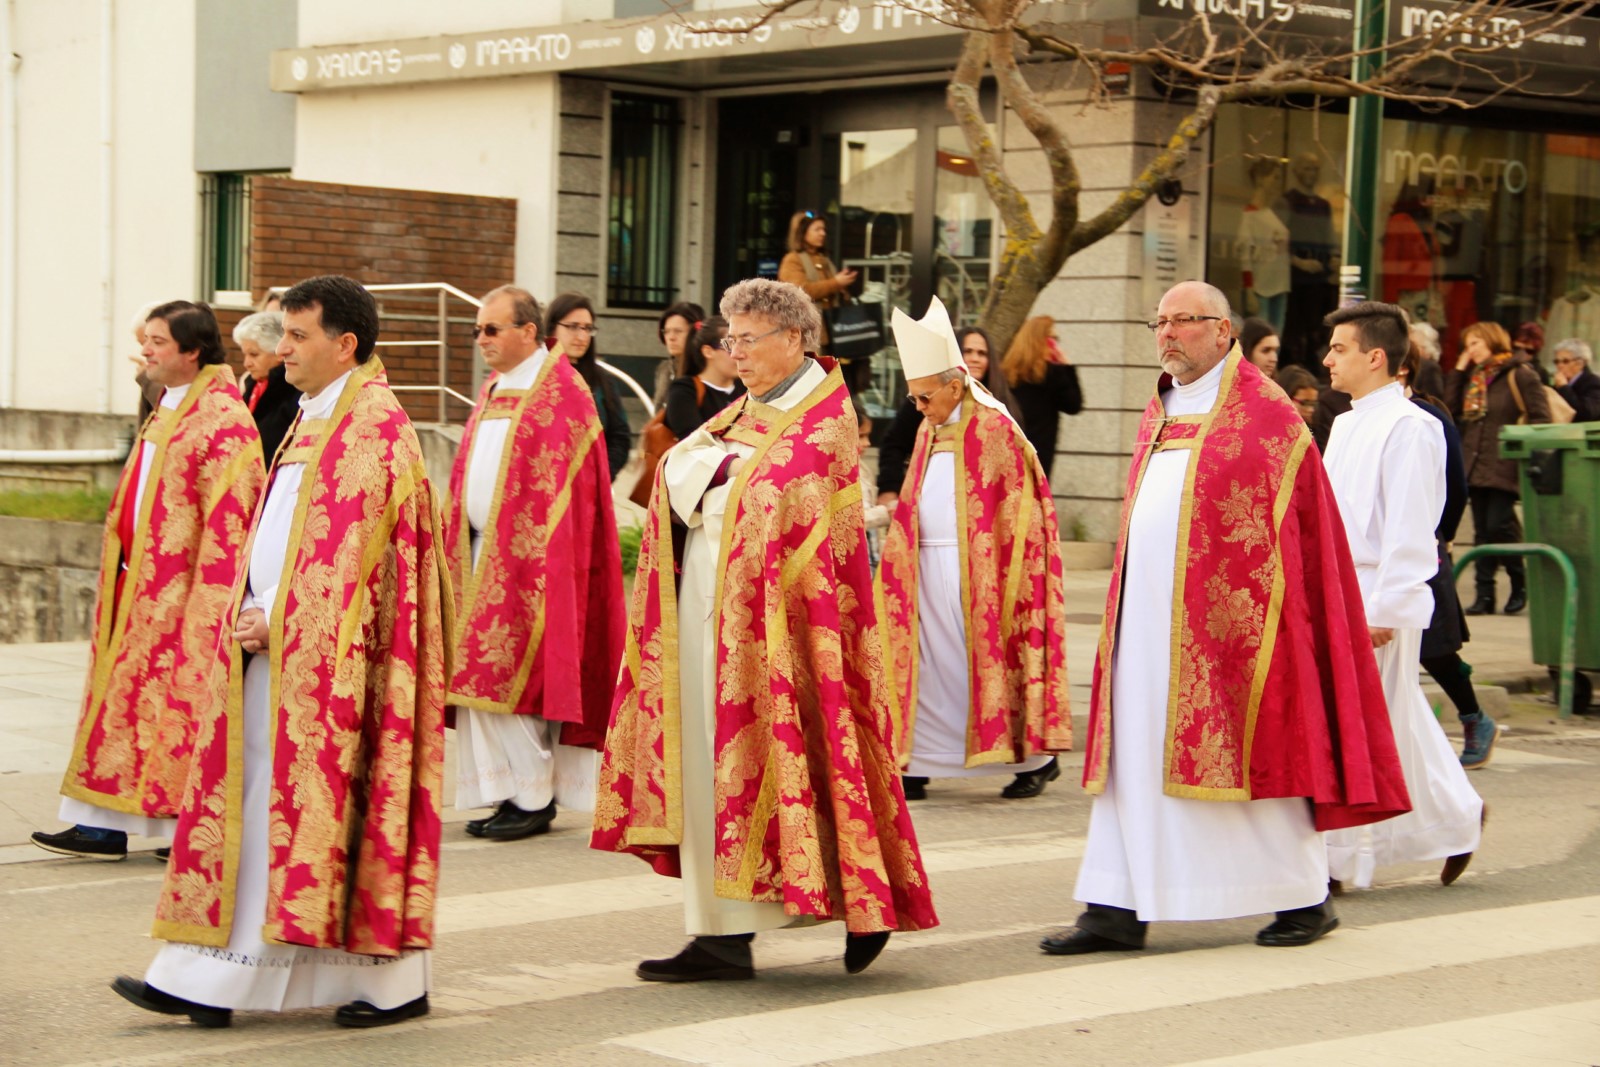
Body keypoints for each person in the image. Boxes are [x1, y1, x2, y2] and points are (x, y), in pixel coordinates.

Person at [119, 275, 450, 1030]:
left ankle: (388, 981)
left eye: (298, 337)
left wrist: (281, 619)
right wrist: (249, 603)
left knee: (335, 812)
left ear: (345, 344)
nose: (282, 349)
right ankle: (209, 974)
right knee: (257, 808)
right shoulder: (315, 414)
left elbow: (355, 560)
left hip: (335, 664)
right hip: (276, 651)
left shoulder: (372, 427)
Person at [1040, 281, 1408, 958]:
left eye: (1184, 321)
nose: (1168, 333)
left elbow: (1302, 534)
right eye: (1161, 321)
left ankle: (1303, 896)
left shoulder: (1268, 415)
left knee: (1251, 761)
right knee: (1133, 763)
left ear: (1223, 330)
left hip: (1231, 634)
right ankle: (1115, 905)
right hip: (1143, 625)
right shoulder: (1161, 407)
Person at [592, 278, 937, 983]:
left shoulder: (823, 424)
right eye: (730, 339)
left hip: (785, 635)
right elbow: (678, 472)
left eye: (748, 339)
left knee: (812, 757)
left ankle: (866, 904)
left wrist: (714, 479)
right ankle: (720, 935)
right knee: (715, 773)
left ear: (794, 339)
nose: (734, 352)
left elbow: (778, 503)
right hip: (711, 617)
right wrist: (712, 477)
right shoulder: (745, 413)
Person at [32, 302, 264, 862]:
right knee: (120, 707)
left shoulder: (225, 420)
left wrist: (211, 602)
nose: (147, 351)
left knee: (171, 712)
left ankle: (178, 823)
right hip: (136, 582)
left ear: (192, 351)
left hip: (182, 593)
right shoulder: (170, 403)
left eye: (158, 342)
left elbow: (231, 518)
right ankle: (100, 824)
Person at [445, 285, 626, 842]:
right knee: (480, 679)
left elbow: (571, 492)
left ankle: (534, 797)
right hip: (478, 555)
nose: (482, 340)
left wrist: (540, 554)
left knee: (516, 683)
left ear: (528, 331)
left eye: (492, 329)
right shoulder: (494, 388)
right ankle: (506, 791)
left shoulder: (561, 393)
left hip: (536, 564)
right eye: (478, 331)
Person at [875, 297, 1072, 803]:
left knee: (985, 661)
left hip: (984, 573)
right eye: (913, 397)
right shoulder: (929, 426)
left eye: (923, 396)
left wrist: (997, 567)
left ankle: (1036, 760)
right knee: (928, 664)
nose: (917, 407)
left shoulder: (995, 426)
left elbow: (1023, 511)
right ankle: (918, 761)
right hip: (926, 565)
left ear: (954, 384)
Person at [1321, 302, 1484, 890]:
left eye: (1339, 349)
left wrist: (1388, 608)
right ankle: (1457, 815)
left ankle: (1335, 859)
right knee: (1393, 717)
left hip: (1380, 591)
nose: (1327, 360)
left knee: (1357, 723)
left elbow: (1414, 527)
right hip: (1344, 587)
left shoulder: (1413, 426)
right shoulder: (1345, 422)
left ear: (1376, 356)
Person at [1398, 343, 1497, 770]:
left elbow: (1455, 486)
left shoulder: (1428, 417)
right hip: (1372, 553)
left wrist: (1444, 537)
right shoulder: (1351, 415)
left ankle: (1475, 718)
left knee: (1432, 646)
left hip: (1423, 545)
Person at [1444, 320, 1550, 616]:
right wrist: (1460, 369)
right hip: (1475, 463)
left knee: (1498, 526)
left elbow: (1541, 418)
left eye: (1475, 343)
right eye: (1467, 345)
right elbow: (1450, 411)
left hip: (1506, 463)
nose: (1471, 350)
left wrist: (1521, 451)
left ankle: (1519, 583)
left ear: (1492, 340)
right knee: (1482, 533)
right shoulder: (1474, 378)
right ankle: (1485, 594)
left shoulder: (1520, 374)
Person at [878, 324, 1017, 503]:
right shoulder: (927, 398)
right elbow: (893, 443)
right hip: (930, 499)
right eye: (968, 351)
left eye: (981, 353)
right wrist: (889, 489)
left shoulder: (1001, 405)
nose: (975, 358)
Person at [546, 291, 631, 482]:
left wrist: (600, 476)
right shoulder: (536, 378)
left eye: (587, 328)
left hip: (589, 488)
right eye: (573, 327)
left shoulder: (602, 381)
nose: (582, 336)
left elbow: (620, 436)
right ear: (552, 329)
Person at [778, 211, 861, 389]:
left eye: (824, 229)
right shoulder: (792, 260)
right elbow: (799, 290)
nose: (823, 233)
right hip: (811, 334)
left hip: (834, 333)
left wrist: (842, 288)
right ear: (803, 232)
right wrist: (836, 283)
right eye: (817, 229)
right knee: (813, 386)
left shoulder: (824, 259)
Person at [1000, 316, 1083, 481]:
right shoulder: (1052, 374)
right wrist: (1067, 367)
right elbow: (1074, 405)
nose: (1055, 343)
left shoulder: (1006, 373)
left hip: (1008, 450)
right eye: (1053, 338)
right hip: (1039, 454)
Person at [1279, 152, 1339, 371]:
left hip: (1319, 275)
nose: (1310, 174)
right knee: (1294, 325)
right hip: (1295, 275)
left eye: (1314, 169)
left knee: (1317, 324)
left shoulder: (1323, 205)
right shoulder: (1288, 201)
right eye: (1305, 169)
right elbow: (1278, 239)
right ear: (1296, 172)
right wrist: (1298, 262)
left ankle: (1313, 364)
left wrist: (1334, 257)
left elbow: (1329, 234)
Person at [234, 310, 300, 463]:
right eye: (244, 355)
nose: (246, 363)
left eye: (254, 354)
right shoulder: (254, 386)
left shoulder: (293, 391)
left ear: (278, 352)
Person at [665, 317, 745, 438]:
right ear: (708, 351)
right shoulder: (684, 390)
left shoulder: (747, 388)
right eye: (729, 347)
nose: (738, 354)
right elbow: (693, 442)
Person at [1237, 158, 1291, 333]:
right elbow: (1245, 254)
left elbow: (1280, 250)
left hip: (1280, 284)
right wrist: (1249, 289)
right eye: (1274, 177)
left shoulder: (1270, 214)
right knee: (1261, 338)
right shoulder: (1250, 216)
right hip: (1261, 288)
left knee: (1275, 339)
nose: (1277, 183)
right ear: (1260, 179)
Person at [651, 301, 706, 410]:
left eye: (678, 331)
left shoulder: (707, 369)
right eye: (666, 331)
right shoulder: (664, 369)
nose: (671, 337)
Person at [1552, 338, 1600, 421]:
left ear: (1580, 363)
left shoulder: (1593, 383)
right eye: (1557, 361)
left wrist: (1564, 388)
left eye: (1565, 361)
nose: (1560, 365)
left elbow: (1587, 413)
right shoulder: (1558, 385)